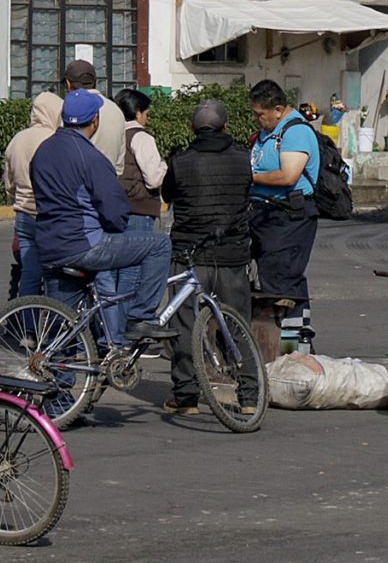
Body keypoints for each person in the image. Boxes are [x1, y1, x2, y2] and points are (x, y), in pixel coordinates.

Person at [30, 89, 171, 345]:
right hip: (84, 245)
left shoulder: (42, 152)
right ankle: (141, 317)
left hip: (50, 246)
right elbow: (115, 211)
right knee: (160, 245)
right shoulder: (92, 157)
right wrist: (112, 228)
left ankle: (60, 375)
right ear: (95, 120)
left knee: (63, 324)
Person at [162, 98, 254, 418]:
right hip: (231, 255)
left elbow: (167, 195)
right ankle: (250, 395)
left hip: (189, 255)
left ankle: (186, 397)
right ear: (226, 127)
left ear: (193, 129)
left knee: (184, 326)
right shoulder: (244, 159)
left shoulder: (181, 161)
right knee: (238, 325)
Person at [245, 78, 324, 353]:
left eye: (260, 114)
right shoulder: (269, 132)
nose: (257, 119)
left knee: (284, 283)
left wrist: (249, 178)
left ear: (278, 109)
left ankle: (295, 350)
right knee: (269, 281)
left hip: (289, 217)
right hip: (263, 214)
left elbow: (288, 175)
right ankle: (280, 349)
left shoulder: (296, 132)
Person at [4, 91, 66, 298]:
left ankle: (27, 324)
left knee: (30, 273)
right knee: (54, 275)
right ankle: (54, 324)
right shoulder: (56, 140)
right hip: (50, 214)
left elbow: (9, 184)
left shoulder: (17, 140)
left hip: (23, 215)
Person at [114, 85, 168, 233]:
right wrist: (164, 166)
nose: (147, 119)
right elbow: (153, 179)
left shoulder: (113, 135)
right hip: (139, 209)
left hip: (115, 207)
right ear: (138, 113)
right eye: (146, 114)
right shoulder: (141, 137)